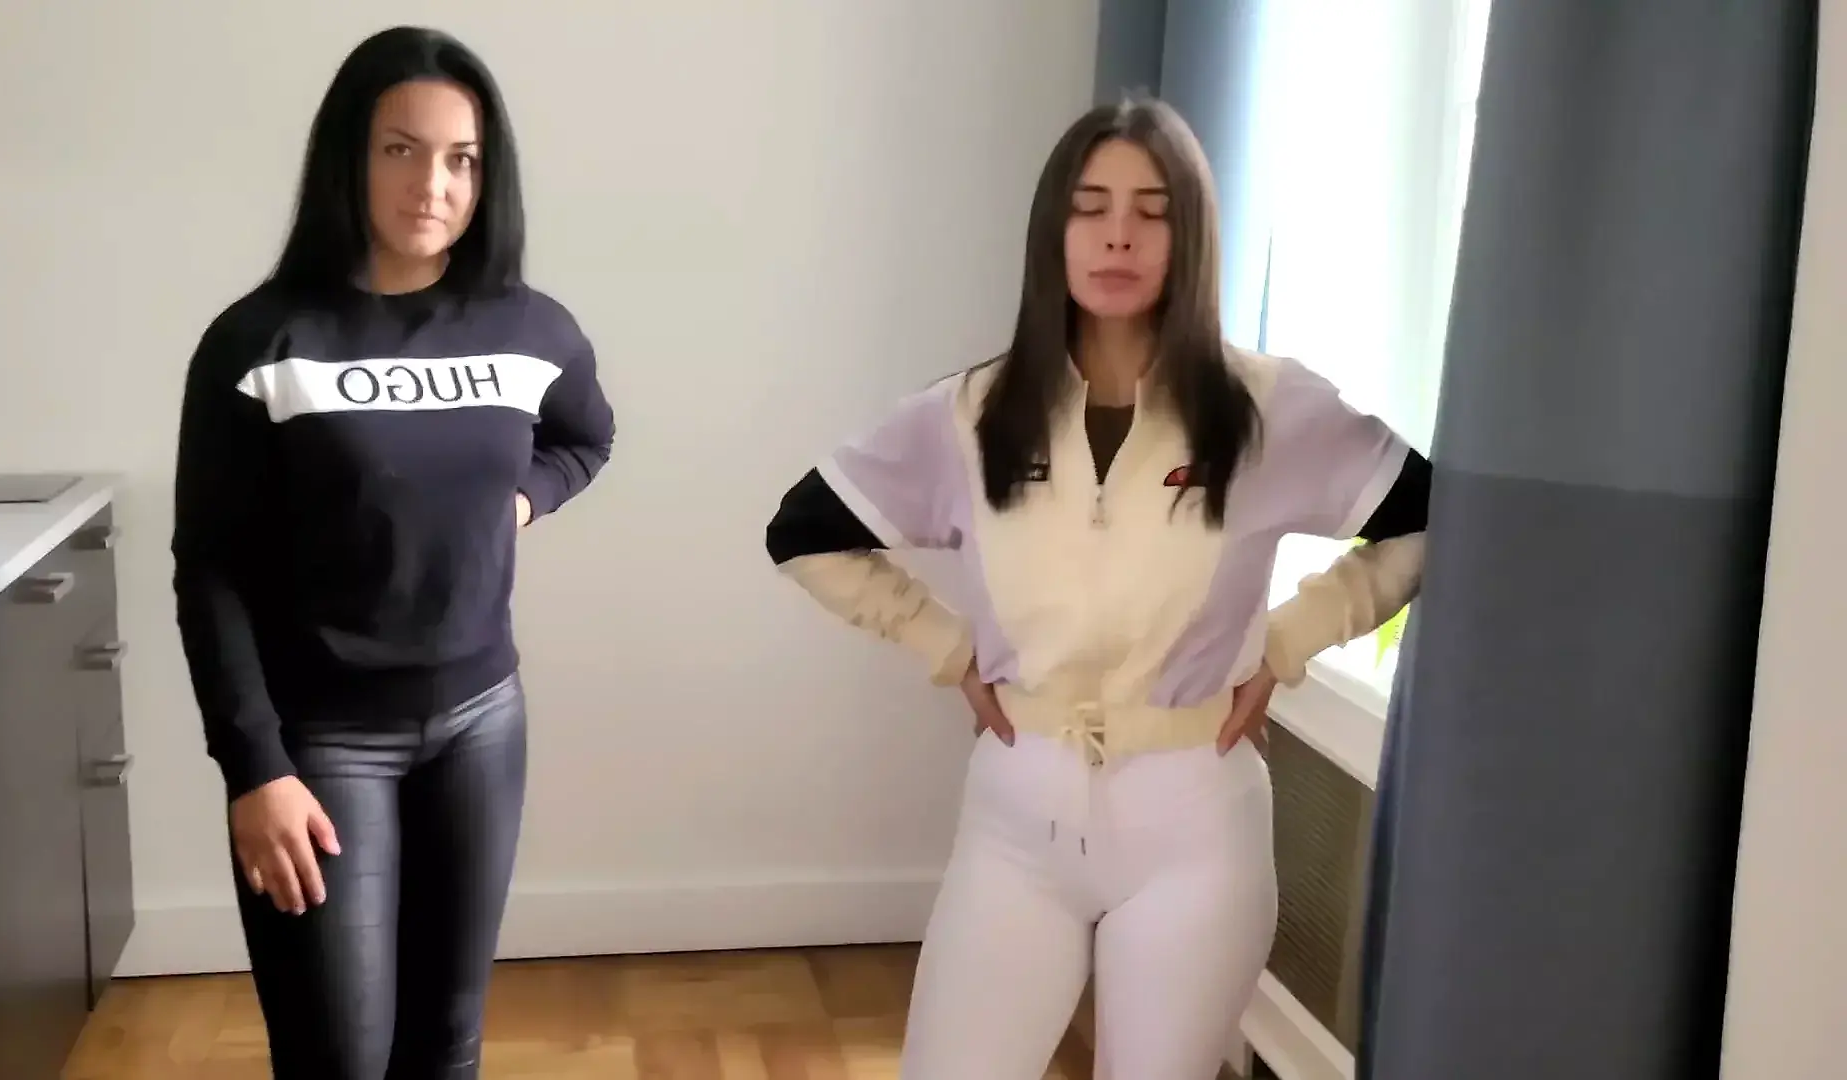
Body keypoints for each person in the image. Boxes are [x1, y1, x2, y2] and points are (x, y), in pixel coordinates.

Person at [763, 97, 1429, 1078]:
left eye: (1153, 211)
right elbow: (802, 532)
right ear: (1054, 232)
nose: (1120, 234)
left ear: (1189, 238)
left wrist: (1288, 643)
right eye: (1091, 207)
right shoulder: (972, 415)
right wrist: (946, 647)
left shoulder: (1266, 409)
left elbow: (1427, 514)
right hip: (1015, 827)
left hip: (1196, 827)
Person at [169, 26, 615, 1080]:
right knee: (338, 1059)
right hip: (323, 743)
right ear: (350, 157)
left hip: (482, 725)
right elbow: (210, 572)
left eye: (462, 159)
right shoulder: (259, 343)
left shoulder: (530, 330)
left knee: (446, 1046)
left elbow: (585, 436)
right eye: (401, 150)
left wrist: (523, 499)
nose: (433, 185)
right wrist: (255, 768)